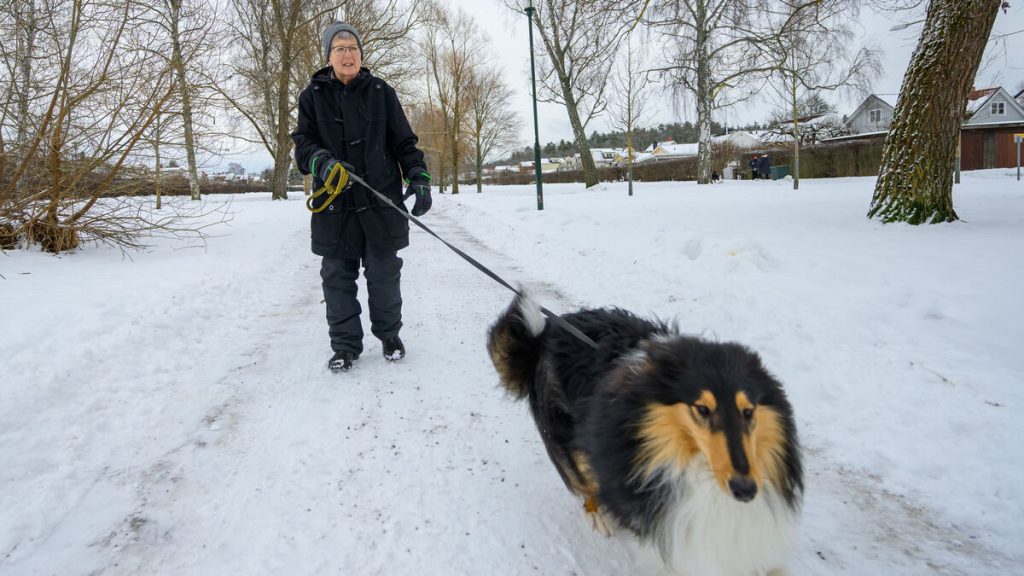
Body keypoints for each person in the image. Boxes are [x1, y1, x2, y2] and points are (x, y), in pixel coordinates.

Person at [292, 21, 432, 373]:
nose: (347, 54)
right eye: (339, 48)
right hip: (335, 206)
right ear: (328, 56)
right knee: (337, 277)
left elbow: (404, 142)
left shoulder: (382, 92)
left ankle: (390, 336)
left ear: (361, 54)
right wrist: (323, 162)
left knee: (384, 274)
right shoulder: (311, 97)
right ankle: (345, 346)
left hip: (380, 203)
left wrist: (419, 176)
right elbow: (303, 146)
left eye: (353, 48)